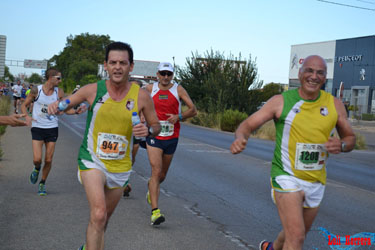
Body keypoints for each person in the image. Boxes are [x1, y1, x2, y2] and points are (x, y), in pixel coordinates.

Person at [230, 55, 356, 250]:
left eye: (320, 73)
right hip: (285, 176)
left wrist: (343, 145)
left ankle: (271, 248)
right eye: (309, 71)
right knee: (296, 237)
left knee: (296, 233)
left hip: (316, 180)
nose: (314, 76)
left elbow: (350, 138)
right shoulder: (281, 101)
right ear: (300, 74)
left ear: (325, 78)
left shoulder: (334, 105)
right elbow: (247, 125)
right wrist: (241, 137)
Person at [48, 42, 161, 250]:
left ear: (131, 66)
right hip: (93, 160)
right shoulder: (93, 90)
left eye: (123, 63)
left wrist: (148, 131)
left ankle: (87, 245)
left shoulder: (141, 96)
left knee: (103, 220)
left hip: (120, 167)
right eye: (113, 62)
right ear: (106, 66)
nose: (118, 67)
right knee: (98, 214)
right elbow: (67, 102)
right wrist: (57, 105)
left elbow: (156, 126)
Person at [145, 62, 197, 225]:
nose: (166, 77)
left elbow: (193, 110)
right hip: (154, 135)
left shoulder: (178, 90)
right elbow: (138, 104)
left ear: (172, 75)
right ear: (158, 74)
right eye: (163, 73)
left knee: (161, 176)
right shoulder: (149, 89)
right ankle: (155, 212)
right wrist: (140, 116)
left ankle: (152, 189)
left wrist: (179, 117)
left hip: (171, 136)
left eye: (169, 74)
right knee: (156, 170)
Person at [21, 69, 86, 196]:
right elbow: (24, 105)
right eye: (58, 78)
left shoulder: (59, 92)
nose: (60, 81)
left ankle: (42, 183)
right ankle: (37, 168)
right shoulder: (36, 90)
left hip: (52, 128)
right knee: (37, 159)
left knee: (49, 160)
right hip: (37, 127)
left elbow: (66, 110)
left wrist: (76, 111)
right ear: (50, 77)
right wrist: (27, 116)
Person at [123, 79, 146, 197]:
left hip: (136, 130)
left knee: (131, 157)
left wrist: (142, 119)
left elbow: (146, 115)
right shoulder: (122, 97)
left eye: (136, 87)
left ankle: (125, 179)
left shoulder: (143, 99)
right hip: (122, 130)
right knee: (121, 155)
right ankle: (124, 182)